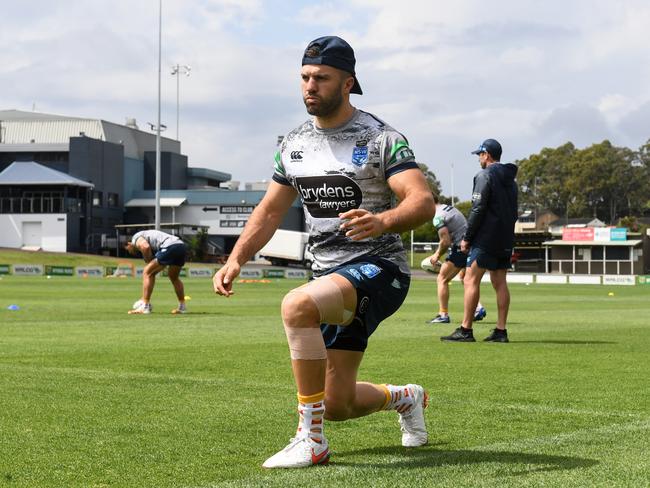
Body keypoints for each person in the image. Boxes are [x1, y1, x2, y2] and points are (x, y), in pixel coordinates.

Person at [213, 35, 435, 469]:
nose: (310, 86)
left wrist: (382, 221)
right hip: (328, 276)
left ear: (348, 82)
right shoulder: (293, 143)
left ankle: (309, 439)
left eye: (321, 78)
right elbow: (270, 209)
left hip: (380, 268)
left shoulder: (380, 138)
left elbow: (421, 201)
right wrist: (236, 257)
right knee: (339, 403)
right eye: (304, 77)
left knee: (297, 306)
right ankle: (406, 398)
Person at [441, 139, 518, 343]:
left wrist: (467, 238)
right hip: (506, 237)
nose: (478, 159)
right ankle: (501, 331)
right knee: (500, 282)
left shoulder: (484, 175)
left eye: (480, 155)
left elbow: (478, 208)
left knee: (470, 279)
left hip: (486, 237)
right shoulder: (512, 180)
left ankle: (466, 329)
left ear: (487, 155)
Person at [422, 194, 486, 324]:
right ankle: (478, 308)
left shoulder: (438, 217)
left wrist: (436, 255)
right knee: (466, 279)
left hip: (461, 248)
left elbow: (445, 241)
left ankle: (443, 314)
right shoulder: (448, 208)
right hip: (472, 244)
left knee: (442, 278)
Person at [124, 229, 188, 315]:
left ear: (129, 244)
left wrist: (148, 262)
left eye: (128, 249)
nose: (130, 252)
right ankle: (182, 306)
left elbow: (145, 247)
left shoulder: (135, 238)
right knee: (173, 277)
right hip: (181, 246)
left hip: (170, 246)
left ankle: (145, 306)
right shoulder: (145, 235)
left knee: (147, 272)